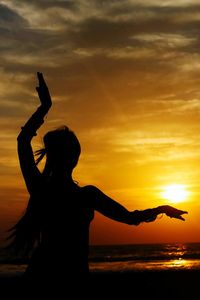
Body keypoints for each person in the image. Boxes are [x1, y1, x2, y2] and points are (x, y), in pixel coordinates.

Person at [7, 72, 187, 286]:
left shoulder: (42, 188)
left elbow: (23, 140)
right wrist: (161, 209)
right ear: (75, 158)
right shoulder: (84, 195)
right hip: (69, 277)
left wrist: (44, 107)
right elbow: (130, 218)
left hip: (46, 275)